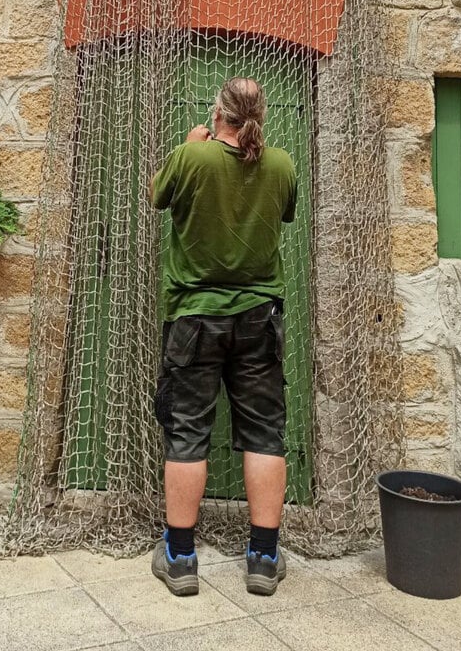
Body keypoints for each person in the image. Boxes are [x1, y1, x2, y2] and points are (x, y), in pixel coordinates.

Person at [149, 76, 297, 597]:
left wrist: (193, 148)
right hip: (259, 317)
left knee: (187, 431)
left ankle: (181, 557)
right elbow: (280, 213)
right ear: (260, 115)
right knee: (264, 433)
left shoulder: (192, 157)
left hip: (194, 317)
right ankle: (262, 556)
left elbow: (156, 196)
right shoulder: (280, 164)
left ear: (218, 114)